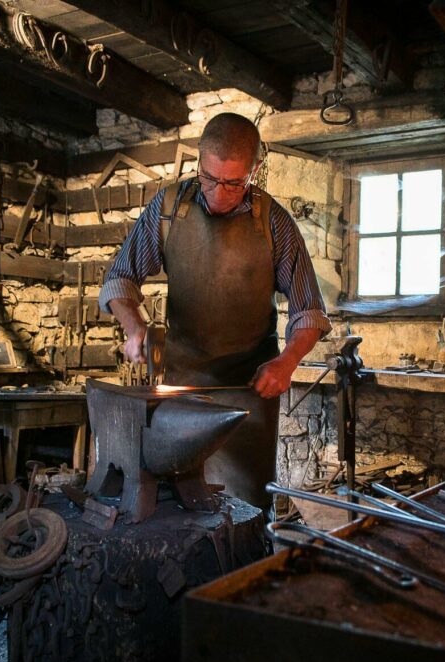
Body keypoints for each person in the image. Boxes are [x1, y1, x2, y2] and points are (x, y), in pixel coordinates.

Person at [99, 113, 331, 511]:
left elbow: (308, 310)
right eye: (209, 178)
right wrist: (133, 327)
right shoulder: (169, 207)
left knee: (247, 505)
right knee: (179, 502)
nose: (219, 193)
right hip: (181, 387)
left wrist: (287, 362)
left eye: (233, 183)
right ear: (199, 162)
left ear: (254, 172)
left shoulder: (274, 222)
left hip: (249, 391)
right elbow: (120, 278)